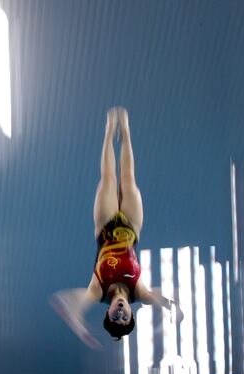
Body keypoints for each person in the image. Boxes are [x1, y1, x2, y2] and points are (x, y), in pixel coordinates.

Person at [51, 107, 182, 348]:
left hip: (105, 225)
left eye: (115, 317)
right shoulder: (139, 292)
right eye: (125, 318)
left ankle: (110, 130)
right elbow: (163, 298)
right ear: (132, 314)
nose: (120, 314)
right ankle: (127, 131)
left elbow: (68, 301)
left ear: (107, 312)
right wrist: (174, 308)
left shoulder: (96, 291)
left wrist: (78, 323)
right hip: (132, 226)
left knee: (109, 178)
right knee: (129, 178)